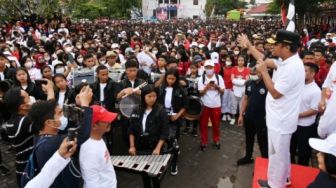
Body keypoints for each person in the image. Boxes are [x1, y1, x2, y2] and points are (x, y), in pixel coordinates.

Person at [238, 30, 305, 188]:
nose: (272, 47)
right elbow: (265, 60)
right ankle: (285, 177)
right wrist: (249, 46)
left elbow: (275, 93)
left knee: (277, 155)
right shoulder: (287, 61)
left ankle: (275, 184)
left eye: (276, 44)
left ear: (286, 47)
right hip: (279, 117)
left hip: (281, 120)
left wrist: (263, 73)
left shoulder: (292, 67)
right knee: (282, 153)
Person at [28, 86, 93, 188]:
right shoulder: (51, 143)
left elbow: (73, 127)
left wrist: (78, 105)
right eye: (59, 113)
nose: (63, 116)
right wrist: (85, 105)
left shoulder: (40, 134)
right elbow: (82, 134)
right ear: (49, 122)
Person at [3, 82, 54, 186]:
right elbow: (49, 109)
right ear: (23, 106)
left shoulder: (12, 121)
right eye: (27, 97)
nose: (31, 98)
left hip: (23, 166)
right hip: (29, 169)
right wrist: (50, 90)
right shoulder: (24, 122)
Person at [128, 85, 169, 187]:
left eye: (154, 96)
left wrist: (158, 148)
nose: (152, 99)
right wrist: (132, 146)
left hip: (155, 148)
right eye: (149, 96)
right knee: (144, 174)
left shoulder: (161, 111)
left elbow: (164, 132)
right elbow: (131, 130)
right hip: (141, 147)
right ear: (143, 97)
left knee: (154, 175)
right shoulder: (137, 110)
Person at [156, 68, 187, 175]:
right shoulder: (161, 88)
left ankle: (174, 164)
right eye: (168, 78)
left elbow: (185, 105)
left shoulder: (180, 89)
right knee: (162, 138)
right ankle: (162, 160)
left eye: (173, 79)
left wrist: (177, 115)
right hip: (162, 117)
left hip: (174, 119)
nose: (170, 81)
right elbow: (152, 88)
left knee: (172, 140)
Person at [237, 63, 268, 165]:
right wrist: (241, 115)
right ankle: (248, 157)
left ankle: (264, 162)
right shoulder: (249, 83)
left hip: (261, 118)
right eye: (250, 72)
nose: (252, 74)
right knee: (249, 139)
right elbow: (246, 99)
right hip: (249, 116)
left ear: (260, 72)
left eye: (254, 72)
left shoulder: (267, 84)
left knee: (262, 142)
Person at [79, 105, 118, 188]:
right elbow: (91, 183)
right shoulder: (89, 150)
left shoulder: (98, 138)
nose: (110, 121)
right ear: (94, 126)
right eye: (105, 120)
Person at [290, 63, 321, 166]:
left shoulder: (316, 91)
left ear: (313, 73)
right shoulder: (298, 85)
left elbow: (314, 110)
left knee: (303, 153)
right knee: (290, 149)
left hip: (305, 127)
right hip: (293, 123)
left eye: (305, 71)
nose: (302, 73)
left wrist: (297, 115)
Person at [198, 60, 225, 151]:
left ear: (214, 68)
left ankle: (216, 139)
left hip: (216, 105)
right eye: (207, 67)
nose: (209, 69)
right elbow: (200, 93)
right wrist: (206, 87)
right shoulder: (201, 78)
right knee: (203, 124)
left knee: (216, 124)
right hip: (204, 105)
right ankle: (204, 141)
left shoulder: (219, 77)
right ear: (204, 68)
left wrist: (217, 87)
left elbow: (222, 92)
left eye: (211, 67)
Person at [230, 55, 249, 125]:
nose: (240, 62)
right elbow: (232, 79)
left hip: (243, 90)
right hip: (234, 90)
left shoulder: (247, 69)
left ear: (244, 61)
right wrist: (242, 82)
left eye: (242, 60)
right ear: (237, 61)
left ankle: (241, 118)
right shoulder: (234, 68)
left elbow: (247, 81)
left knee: (242, 105)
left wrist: (237, 81)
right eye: (239, 60)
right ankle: (233, 118)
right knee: (233, 105)